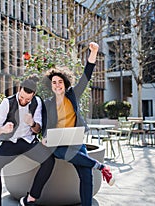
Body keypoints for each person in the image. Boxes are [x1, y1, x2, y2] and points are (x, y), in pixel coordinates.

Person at [42, 42, 115, 206]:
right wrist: (45, 137)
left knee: (86, 174)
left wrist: (94, 52)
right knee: (62, 153)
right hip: (58, 144)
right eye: (54, 82)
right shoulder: (47, 103)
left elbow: (86, 75)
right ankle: (101, 166)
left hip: (75, 140)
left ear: (65, 83)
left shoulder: (73, 95)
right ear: (50, 85)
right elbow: (46, 125)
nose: (57, 85)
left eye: (60, 81)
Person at [0, 77, 55, 206]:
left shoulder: (37, 102)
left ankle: (31, 198)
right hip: (10, 142)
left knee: (49, 160)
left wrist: (32, 123)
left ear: (33, 95)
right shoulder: (7, 103)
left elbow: (37, 130)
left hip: (28, 141)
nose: (24, 101)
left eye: (27, 99)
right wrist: (2, 129)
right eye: (22, 97)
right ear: (19, 90)